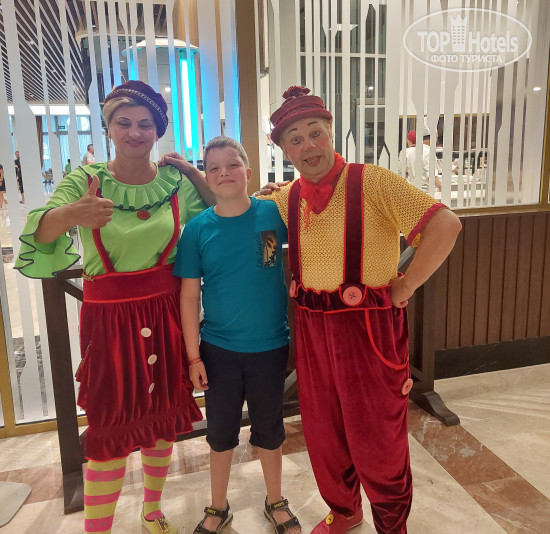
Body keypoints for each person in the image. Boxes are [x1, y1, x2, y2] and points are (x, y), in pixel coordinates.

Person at [257, 86, 462, 534]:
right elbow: (243, 221)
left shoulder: (374, 181)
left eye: (315, 133)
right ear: (285, 150)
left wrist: (406, 285)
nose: (308, 146)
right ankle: (346, 512)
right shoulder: (285, 197)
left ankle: (391, 525)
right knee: (323, 431)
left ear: (331, 133)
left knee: (377, 436)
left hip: (368, 329)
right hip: (312, 328)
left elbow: (446, 225)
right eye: (295, 139)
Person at [15, 80, 215, 534]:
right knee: (110, 425)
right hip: (108, 322)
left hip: (167, 314)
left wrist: (192, 170)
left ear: (158, 130)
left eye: (145, 124)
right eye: (123, 123)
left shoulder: (173, 182)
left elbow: (218, 208)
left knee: (162, 418)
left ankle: (152, 511)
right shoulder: (84, 181)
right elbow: (39, 232)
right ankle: (98, 529)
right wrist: (71, 215)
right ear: (108, 128)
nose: (134, 132)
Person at [173, 136, 301, 534]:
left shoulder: (273, 214)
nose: (224, 173)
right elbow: (189, 296)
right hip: (218, 351)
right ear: (207, 177)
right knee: (220, 433)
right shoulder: (197, 230)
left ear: (248, 170)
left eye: (232, 165)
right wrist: (193, 356)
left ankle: (275, 499)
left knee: (271, 430)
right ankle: (218, 505)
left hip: (271, 347)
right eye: (214, 168)